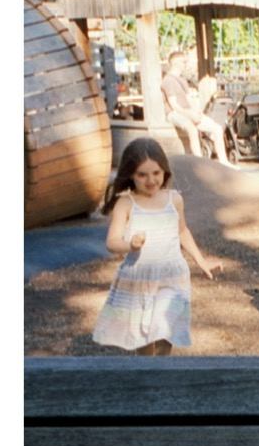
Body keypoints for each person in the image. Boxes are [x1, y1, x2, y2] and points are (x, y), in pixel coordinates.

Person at [93, 138, 218, 355]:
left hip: (172, 276)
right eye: (142, 175)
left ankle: (162, 368)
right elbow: (112, 242)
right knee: (143, 333)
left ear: (164, 171)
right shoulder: (126, 204)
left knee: (165, 326)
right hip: (140, 278)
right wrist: (130, 245)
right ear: (131, 175)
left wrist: (202, 262)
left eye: (156, 173)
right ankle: (148, 369)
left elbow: (182, 231)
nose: (151, 180)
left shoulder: (174, 199)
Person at [161, 50, 231, 166]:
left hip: (187, 111)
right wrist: (188, 114)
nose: (185, 65)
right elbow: (174, 105)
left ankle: (224, 161)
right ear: (176, 63)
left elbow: (189, 98)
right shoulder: (168, 81)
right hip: (174, 113)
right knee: (192, 129)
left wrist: (197, 111)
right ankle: (200, 162)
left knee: (217, 129)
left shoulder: (182, 79)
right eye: (183, 62)